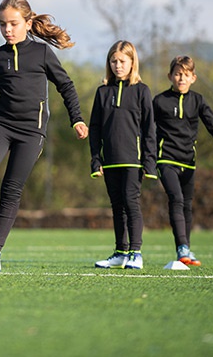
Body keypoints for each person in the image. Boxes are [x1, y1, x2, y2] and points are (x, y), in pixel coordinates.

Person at [0, 0, 88, 273]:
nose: (7, 30)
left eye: (13, 23)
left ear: (28, 23)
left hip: (31, 132)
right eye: (2, 24)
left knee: (11, 189)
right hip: (1, 125)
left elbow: (66, 86)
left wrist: (77, 120)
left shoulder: (43, 53)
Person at [153, 56, 213, 266]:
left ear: (193, 78)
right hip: (166, 160)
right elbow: (144, 129)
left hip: (188, 162)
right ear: (170, 76)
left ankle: (186, 251)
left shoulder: (198, 101)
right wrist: (146, 158)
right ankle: (182, 247)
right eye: (178, 74)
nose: (182, 78)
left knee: (187, 206)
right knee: (176, 199)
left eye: (186, 75)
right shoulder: (159, 101)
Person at [89, 40, 157, 270]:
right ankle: (120, 252)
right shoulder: (102, 92)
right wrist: (95, 159)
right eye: (113, 61)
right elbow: (95, 128)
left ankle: (135, 253)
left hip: (133, 160)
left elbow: (149, 129)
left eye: (122, 61)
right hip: (110, 161)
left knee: (131, 203)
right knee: (117, 206)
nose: (118, 65)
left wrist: (149, 161)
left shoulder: (141, 91)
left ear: (132, 63)